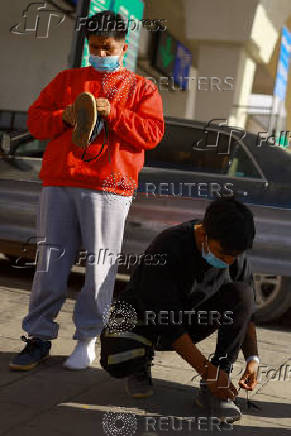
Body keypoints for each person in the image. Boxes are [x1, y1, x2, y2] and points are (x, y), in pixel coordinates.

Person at [9, 10, 164, 371]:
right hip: (61, 181)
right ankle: (38, 337)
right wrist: (63, 116)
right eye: (95, 48)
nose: (102, 55)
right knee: (49, 264)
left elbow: (152, 134)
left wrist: (115, 114)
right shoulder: (67, 79)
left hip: (110, 186)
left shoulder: (143, 88)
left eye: (108, 48)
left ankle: (87, 338)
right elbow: (35, 121)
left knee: (100, 268)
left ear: (124, 47)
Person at [100, 197, 260, 423]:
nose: (228, 261)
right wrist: (206, 370)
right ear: (204, 233)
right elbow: (168, 324)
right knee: (119, 360)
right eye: (222, 254)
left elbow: (247, 311)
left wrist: (253, 359)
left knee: (242, 293)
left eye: (233, 256)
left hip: (189, 319)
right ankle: (140, 363)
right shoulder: (168, 246)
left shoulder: (233, 252)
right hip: (145, 319)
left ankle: (213, 388)